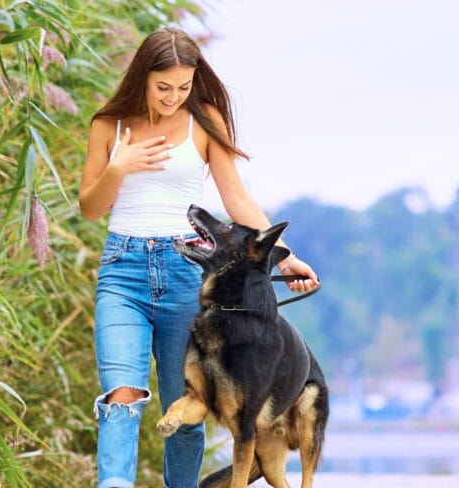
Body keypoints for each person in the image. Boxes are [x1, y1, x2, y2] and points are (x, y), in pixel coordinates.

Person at [78, 26, 319, 488]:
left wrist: (286, 258)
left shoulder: (204, 121)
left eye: (183, 86)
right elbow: (90, 208)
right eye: (163, 87)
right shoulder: (109, 126)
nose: (173, 97)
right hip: (122, 273)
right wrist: (118, 167)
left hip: (184, 274)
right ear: (142, 78)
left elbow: (236, 201)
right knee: (120, 398)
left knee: (187, 406)